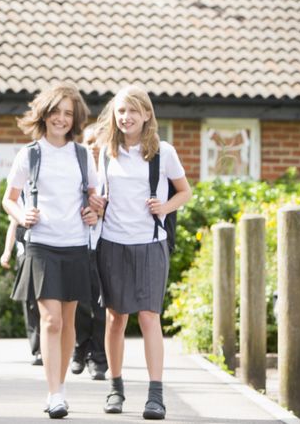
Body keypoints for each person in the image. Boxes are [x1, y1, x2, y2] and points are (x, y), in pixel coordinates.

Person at [93, 85, 192, 420]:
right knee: (116, 317)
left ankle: (155, 395)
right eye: (121, 111)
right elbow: (99, 195)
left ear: (147, 114)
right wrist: (97, 204)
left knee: (149, 317)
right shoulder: (106, 151)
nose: (126, 117)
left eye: (134, 110)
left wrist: (163, 207)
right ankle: (115, 388)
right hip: (112, 242)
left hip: (151, 244)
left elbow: (185, 192)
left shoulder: (164, 152)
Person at [2, 82, 99, 419]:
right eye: (56, 112)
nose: (61, 119)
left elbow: (95, 197)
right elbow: (9, 199)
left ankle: (60, 390)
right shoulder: (29, 154)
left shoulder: (83, 155)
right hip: (41, 245)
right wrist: (21, 215)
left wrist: (94, 210)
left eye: (68, 114)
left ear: (76, 119)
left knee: (69, 320)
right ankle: (53, 392)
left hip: (75, 245)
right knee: (51, 319)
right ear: (45, 114)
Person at [70, 123, 108, 380]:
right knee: (79, 303)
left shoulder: (112, 173)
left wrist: (103, 211)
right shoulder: (77, 171)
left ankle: (99, 359)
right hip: (79, 244)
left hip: (105, 245)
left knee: (102, 305)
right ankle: (80, 347)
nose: (93, 145)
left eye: (98, 141)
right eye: (89, 140)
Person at [1, 207, 42, 366]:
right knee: (30, 303)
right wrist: (7, 252)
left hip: (47, 251)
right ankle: (38, 350)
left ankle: (51, 347)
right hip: (24, 256)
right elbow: (13, 224)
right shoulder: (20, 195)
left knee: (47, 303)